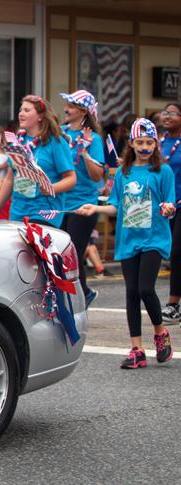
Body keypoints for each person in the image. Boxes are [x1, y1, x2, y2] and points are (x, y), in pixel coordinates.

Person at [77, 118, 175, 368]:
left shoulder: (163, 171)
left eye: (149, 142)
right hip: (128, 238)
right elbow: (116, 205)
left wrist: (167, 209)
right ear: (131, 143)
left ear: (156, 144)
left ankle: (161, 332)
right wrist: (95, 209)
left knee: (145, 289)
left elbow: (170, 204)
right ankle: (136, 349)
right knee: (131, 293)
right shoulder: (123, 172)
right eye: (140, 142)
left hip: (154, 238)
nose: (144, 147)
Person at [0, 95, 76, 228]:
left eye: (27, 110)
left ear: (40, 116)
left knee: (31, 246)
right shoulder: (17, 142)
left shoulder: (55, 142)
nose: (21, 114)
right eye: (21, 110)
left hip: (44, 212)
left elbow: (71, 179)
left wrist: (52, 188)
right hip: (18, 212)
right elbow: (9, 180)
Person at [59, 90, 105, 307]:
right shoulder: (59, 133)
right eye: (67, 103)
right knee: (59, 252)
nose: (66, 108)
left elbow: (97, 176)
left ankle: (79, 297)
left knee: (73, 254)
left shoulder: (93, 139)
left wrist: (85, 152)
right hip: (59, 203)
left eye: (71, 105)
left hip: (83, 204)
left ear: (83, 111)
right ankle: (82, 292)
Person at [159, 102, 181, 322]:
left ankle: (173, 305)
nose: (166, 116)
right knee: (165, 252)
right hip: (163, 206)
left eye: (173, 113)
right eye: (165, 113)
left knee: (176, 253)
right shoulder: (159, 142)